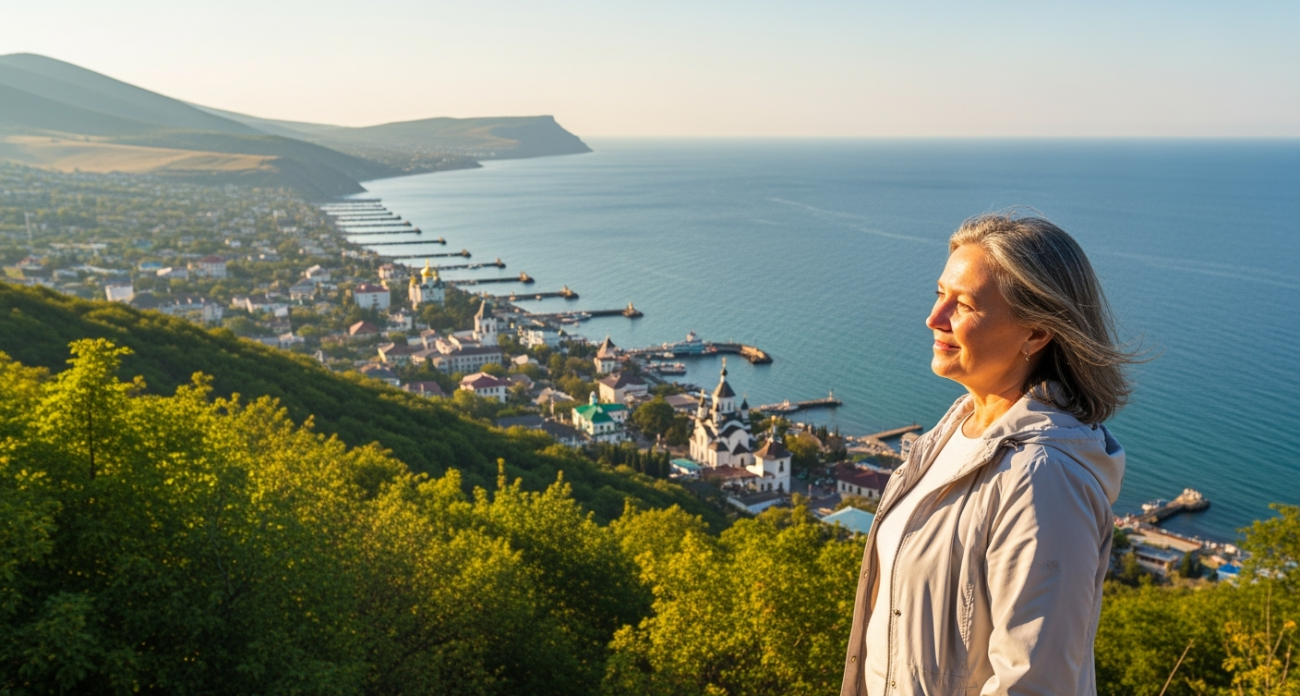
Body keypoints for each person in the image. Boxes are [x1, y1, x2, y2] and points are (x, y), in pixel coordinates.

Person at [840, 213, 1137, 696]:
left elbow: (1035, 683)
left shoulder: (1044, 480)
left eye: (965, 305)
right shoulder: (953, 432)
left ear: (1037, 333)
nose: (934, 319)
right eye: (941, 294)